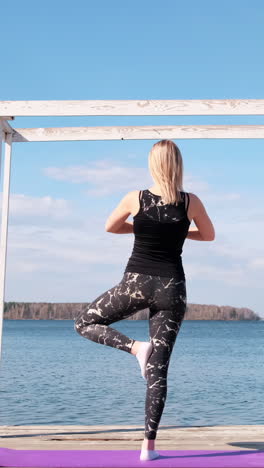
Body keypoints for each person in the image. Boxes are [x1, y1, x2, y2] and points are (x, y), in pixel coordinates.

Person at [74, 139, 215, 461]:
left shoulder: (135, 198)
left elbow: (110, 227)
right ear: (178, 165)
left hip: (137, 283)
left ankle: (136, 347)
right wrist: (180, 233)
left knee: (85, 322)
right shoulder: (191, 202)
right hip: (172, 288)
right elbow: (208, 235)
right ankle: (147, 448)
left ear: (152, 165)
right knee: (159, 370)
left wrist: (141, 228)